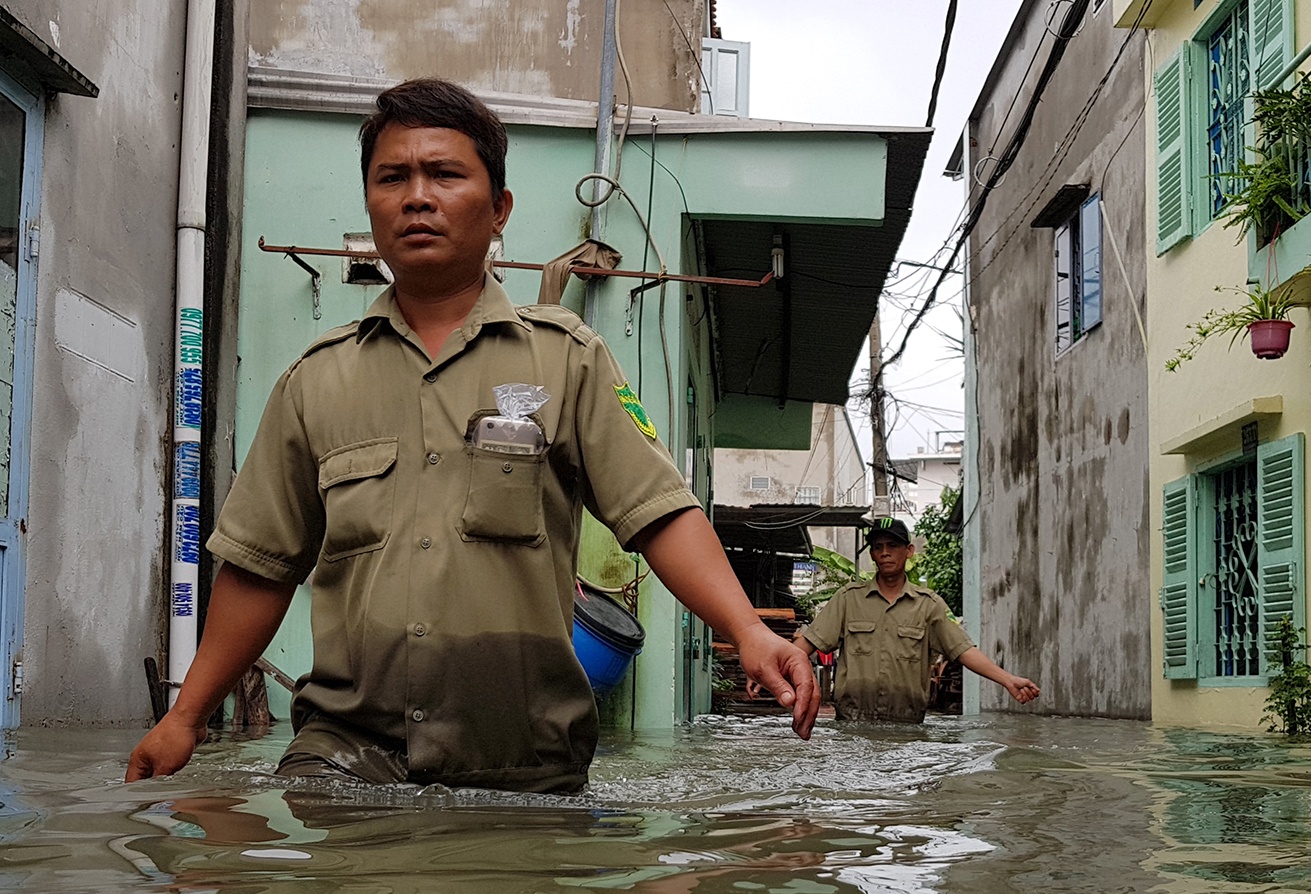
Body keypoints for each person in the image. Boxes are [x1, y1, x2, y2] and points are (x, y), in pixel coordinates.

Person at [126, 77, 815, 790]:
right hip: (347, 754)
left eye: (445, 174)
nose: (416, 196)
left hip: (527, 763)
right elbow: (260, 564)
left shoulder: (567, 360)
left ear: (499, 210)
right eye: (393, 177)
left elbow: (660, 513)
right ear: (370, 201)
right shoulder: (314, 381)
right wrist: (186, 715)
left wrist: (747, 626)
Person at [794, 517, 1039, 722]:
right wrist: (770, 673)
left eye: (892, 545)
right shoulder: (848, 600)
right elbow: (808, 643)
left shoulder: (928, 605)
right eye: (878, 547)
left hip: (907, 726)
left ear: (909, 551)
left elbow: (963, 650)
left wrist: (1008, 680)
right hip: (852, 723)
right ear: (872, 554)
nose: (885, 553)